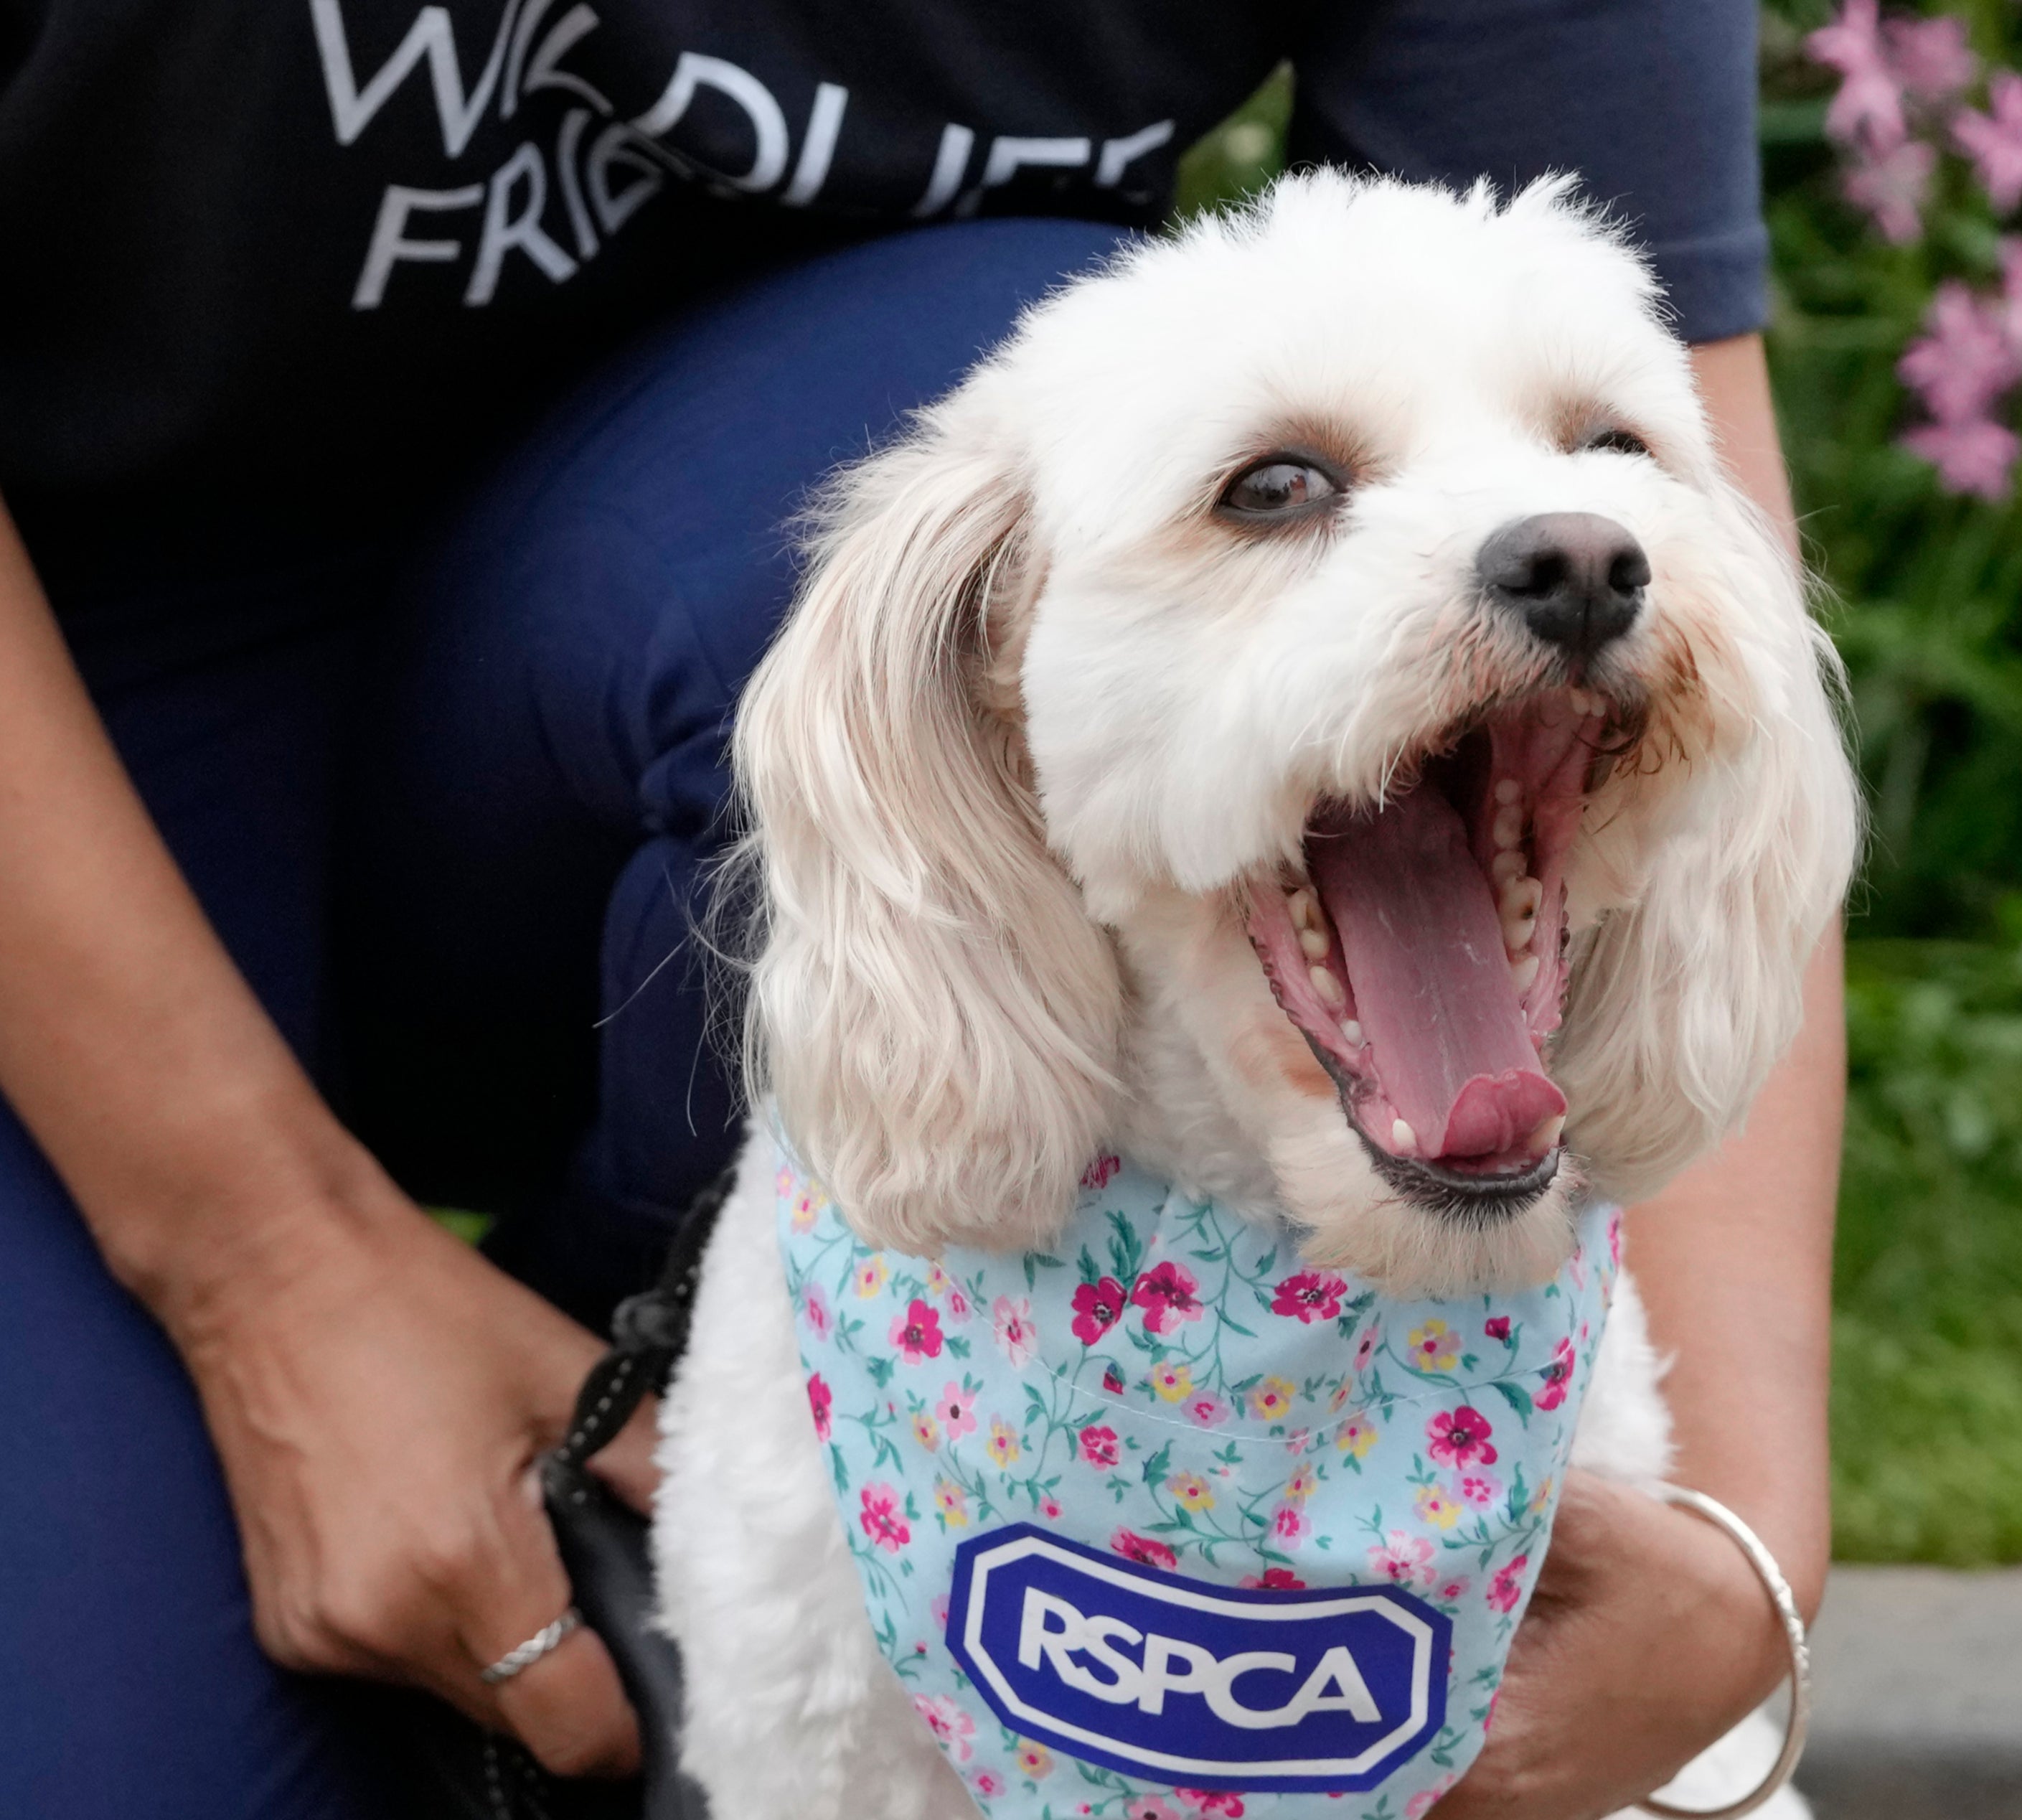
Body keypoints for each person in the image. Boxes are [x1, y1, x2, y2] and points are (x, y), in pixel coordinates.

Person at [0, 2, 1840, 1815]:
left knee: (913, 413)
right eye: (1279, 488)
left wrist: (1741, 1564)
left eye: (1590, 463)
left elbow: (1693, 476)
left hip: (722, 528)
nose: (1565, 539)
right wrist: (272, 1275)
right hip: (81, 718)